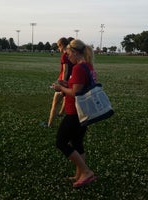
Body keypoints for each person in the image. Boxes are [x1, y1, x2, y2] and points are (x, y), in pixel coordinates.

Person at [51, 39, 97, 188]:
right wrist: (65, 84)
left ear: (75, 53)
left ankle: (86, 171)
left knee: (61, 142)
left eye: (69, 53)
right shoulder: (87, 66)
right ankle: (79, 175)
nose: (67, 56)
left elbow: (76, 92)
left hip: (75, 112)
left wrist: (61, 89)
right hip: (84, 112)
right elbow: (79, 86)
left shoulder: (78, 68)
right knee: (77, 143)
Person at [47, 37, 73, 127]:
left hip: (63, 82)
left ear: (62, 45)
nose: (58, 49)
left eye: (59, 46)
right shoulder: (72, 54)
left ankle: (49, 124)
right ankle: (62, 113)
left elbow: (65, 70)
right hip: (72, 83)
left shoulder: (64, 56)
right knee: (67, 101)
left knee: (55, 104)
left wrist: (63, 82)